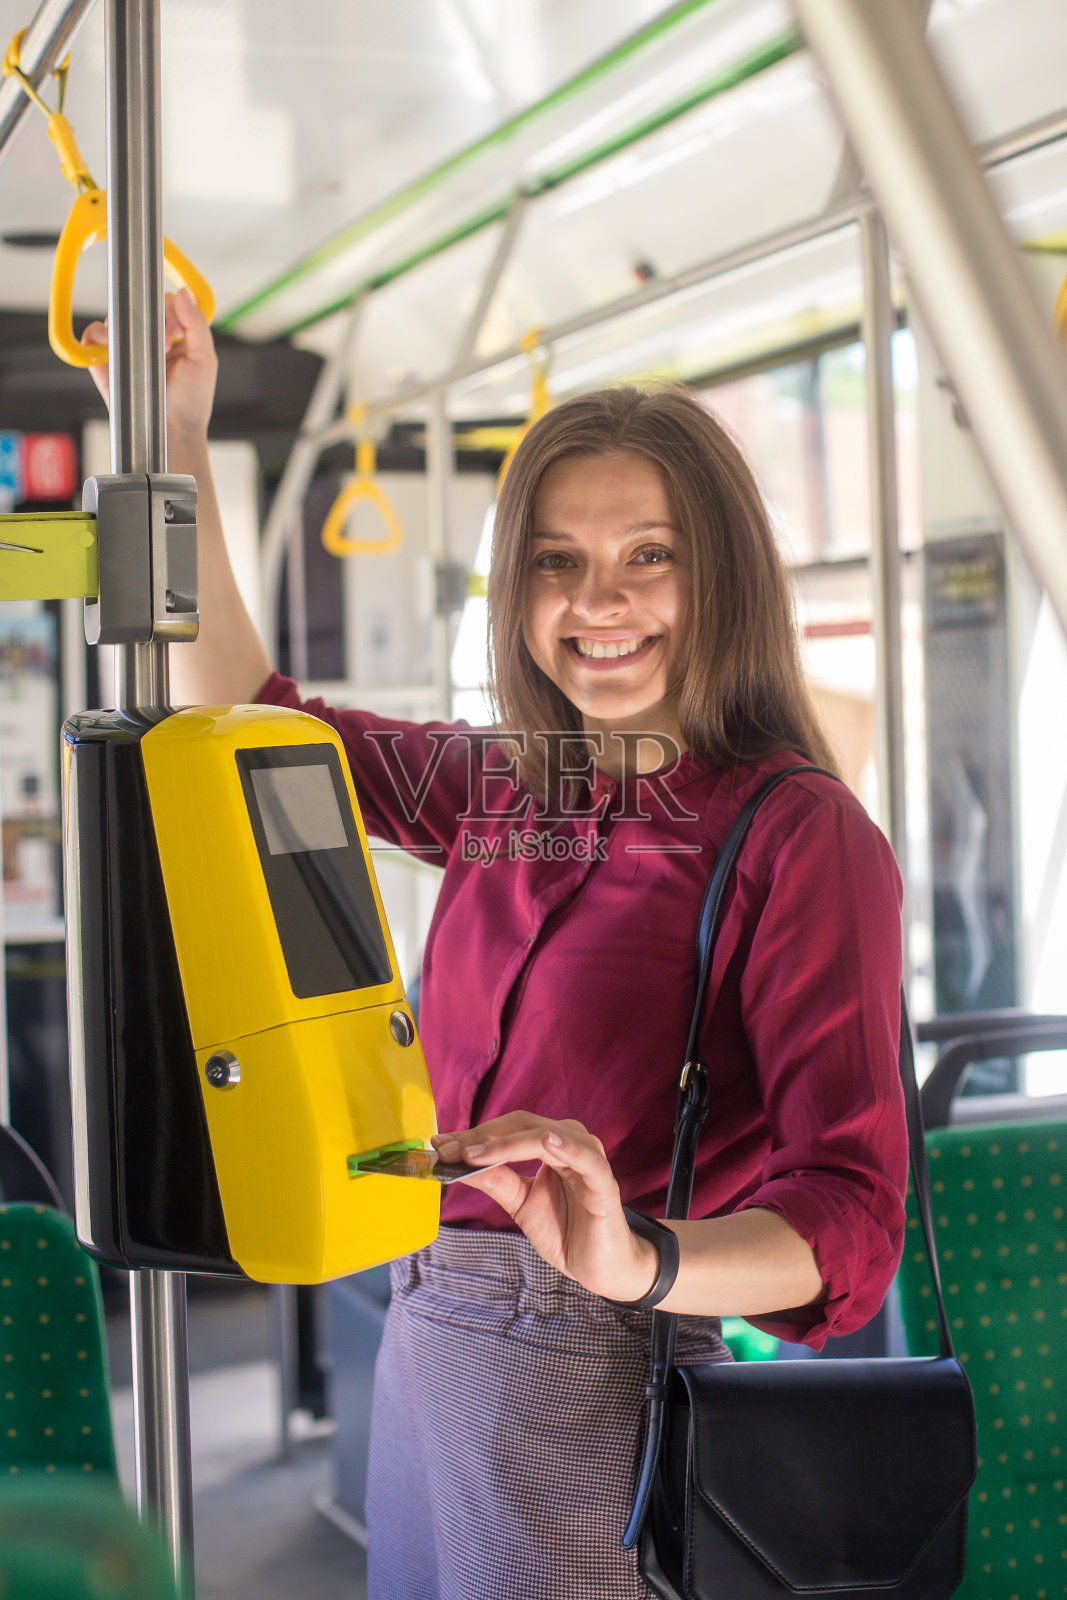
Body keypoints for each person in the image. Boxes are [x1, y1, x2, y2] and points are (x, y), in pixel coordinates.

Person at [83, 291, 908, 1600]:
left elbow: (850, 1216)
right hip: (429, 1331)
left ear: (726, 575)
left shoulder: (797, 838)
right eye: (557, 563)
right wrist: (178, 432)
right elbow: (250, 716)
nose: (601, 604)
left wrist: (642, 1255)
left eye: (651, 556)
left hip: (604, 1359)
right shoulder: (505, 792)